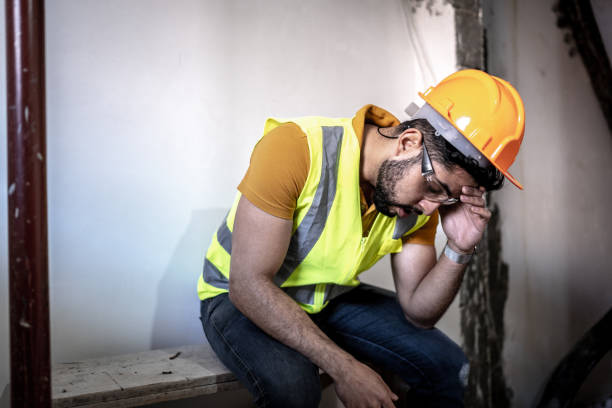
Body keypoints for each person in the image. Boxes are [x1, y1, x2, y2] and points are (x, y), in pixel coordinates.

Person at [197, 69, 525, 407]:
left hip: (327, 298)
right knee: (295, 390)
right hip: (237, 296)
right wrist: (346, 368)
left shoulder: (422, 201)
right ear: (408, 143)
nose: (430, 210)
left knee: (448, 367)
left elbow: (418, 312)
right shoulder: (296, 148)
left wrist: (458, 247)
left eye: (447, 198)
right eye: (435, 188)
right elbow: (247, 285)